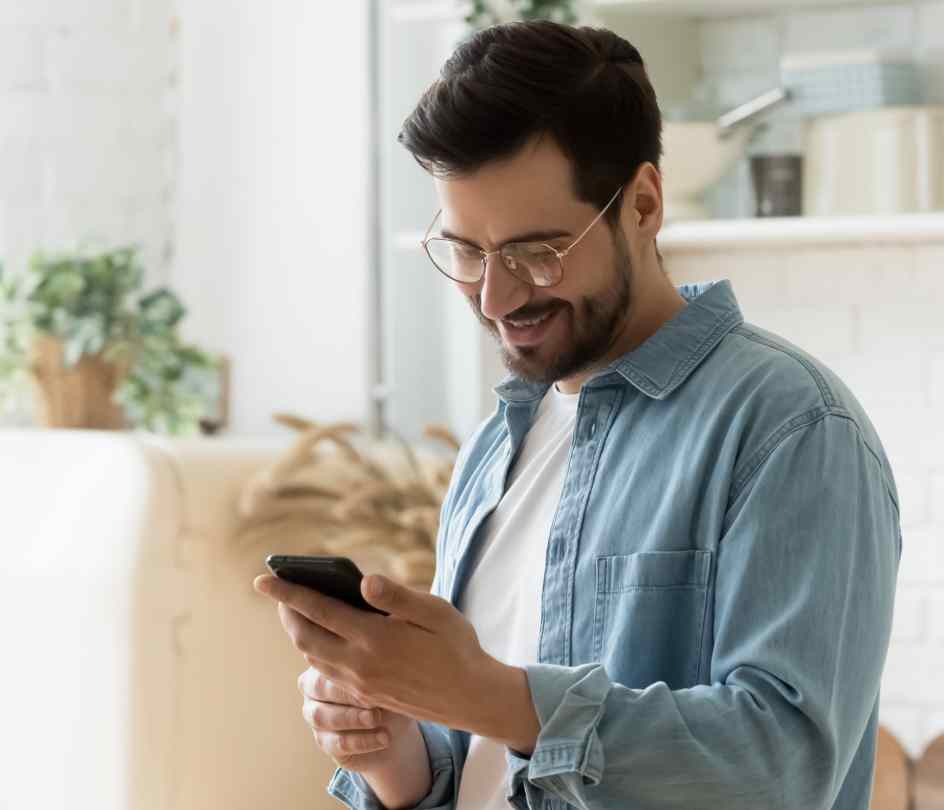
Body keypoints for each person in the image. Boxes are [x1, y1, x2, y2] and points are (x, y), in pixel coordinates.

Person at [253, 19, 901, 810]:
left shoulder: (789, 428)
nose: (495, 298)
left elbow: (783, 768)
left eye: (536, 252)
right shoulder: (494, 450)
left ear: (643, 203)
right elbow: (488, 769)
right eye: (465, 253)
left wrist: (487, 695)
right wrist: (396, 752)